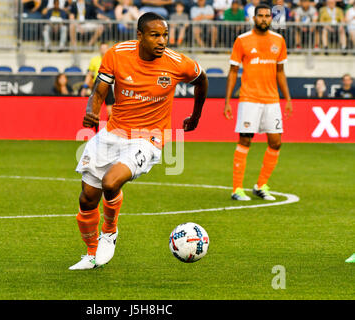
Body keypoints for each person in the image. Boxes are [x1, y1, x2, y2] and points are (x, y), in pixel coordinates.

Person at [69, 12, 208, 270]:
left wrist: (196, 115)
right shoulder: (117, 54)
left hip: (150, 138)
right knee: (87, 198)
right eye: (155, 35)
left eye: (165, 34)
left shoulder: (177, 63)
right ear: (140, 36)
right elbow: (100, 88)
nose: (162, 40)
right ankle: (91, 254)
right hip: (114, 133)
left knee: (111, 182)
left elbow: (202, 80)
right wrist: (92, 111)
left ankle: (109, 232)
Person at [224, 3, 293, 201]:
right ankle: (237, 188)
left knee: (276, 142)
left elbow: (280, 71)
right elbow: (233, 71)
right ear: (254, 18)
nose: (264, 19)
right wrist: (227, 101)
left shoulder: (279, 40)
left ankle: (261, 185)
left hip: (272, 99)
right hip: (249, 98)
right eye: (260, 15)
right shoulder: (242, 40)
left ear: (271, 18)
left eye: (267, 16)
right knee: (245, 139)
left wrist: (287, 98)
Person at [80, 43, 114, 117]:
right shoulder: (94, 60)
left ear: (108, 50)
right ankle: (96, 127)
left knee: (110, 110)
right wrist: (84, 87)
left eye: (105, 49)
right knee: (95, 110)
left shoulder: (112, 60)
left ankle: (109, 127)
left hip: (108, 84)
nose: (104, 51)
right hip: (97, 85)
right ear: (100, 50)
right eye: (102, 49)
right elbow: (89, 74)